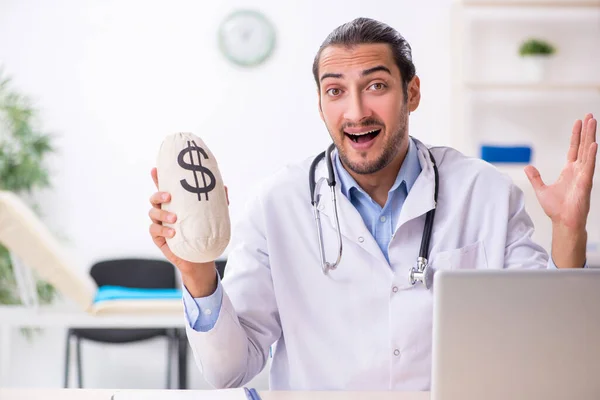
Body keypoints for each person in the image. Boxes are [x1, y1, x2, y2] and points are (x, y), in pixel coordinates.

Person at [148, 17, 597, 391]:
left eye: (376, 85)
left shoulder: (486, 192)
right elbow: (231, 370)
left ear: (412, 93)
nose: (356, 111)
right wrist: (197, 271)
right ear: (321, 105)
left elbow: (543, 345)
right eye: (335, 91)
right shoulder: (275, 205)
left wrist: (568, 232)